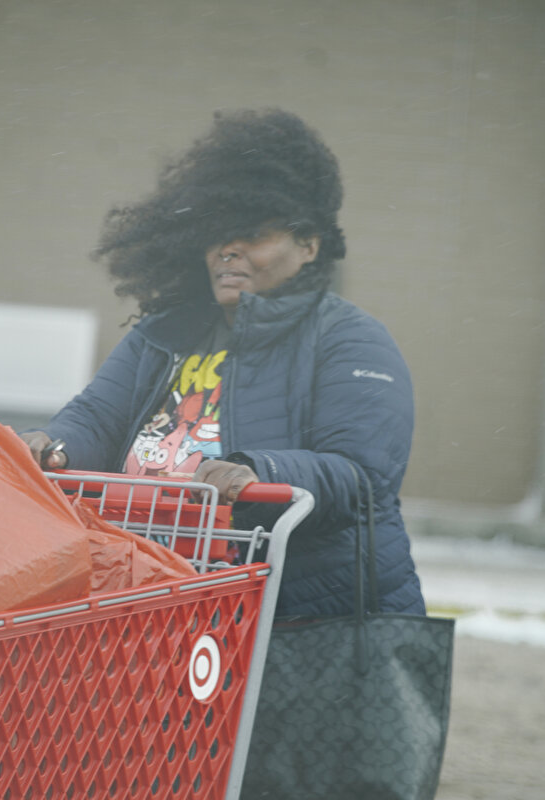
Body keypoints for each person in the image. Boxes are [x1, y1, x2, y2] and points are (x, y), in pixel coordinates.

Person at [22, 108, 424, 617]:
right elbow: (97, 419)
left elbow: (362, 478)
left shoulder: (350, 339)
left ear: (308, 246)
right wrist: (52, 447)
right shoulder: (163, 333)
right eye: (218, 235)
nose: (228, 251)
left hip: (300, 623)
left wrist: (256, 472)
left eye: (253, 235)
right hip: (154, 598)